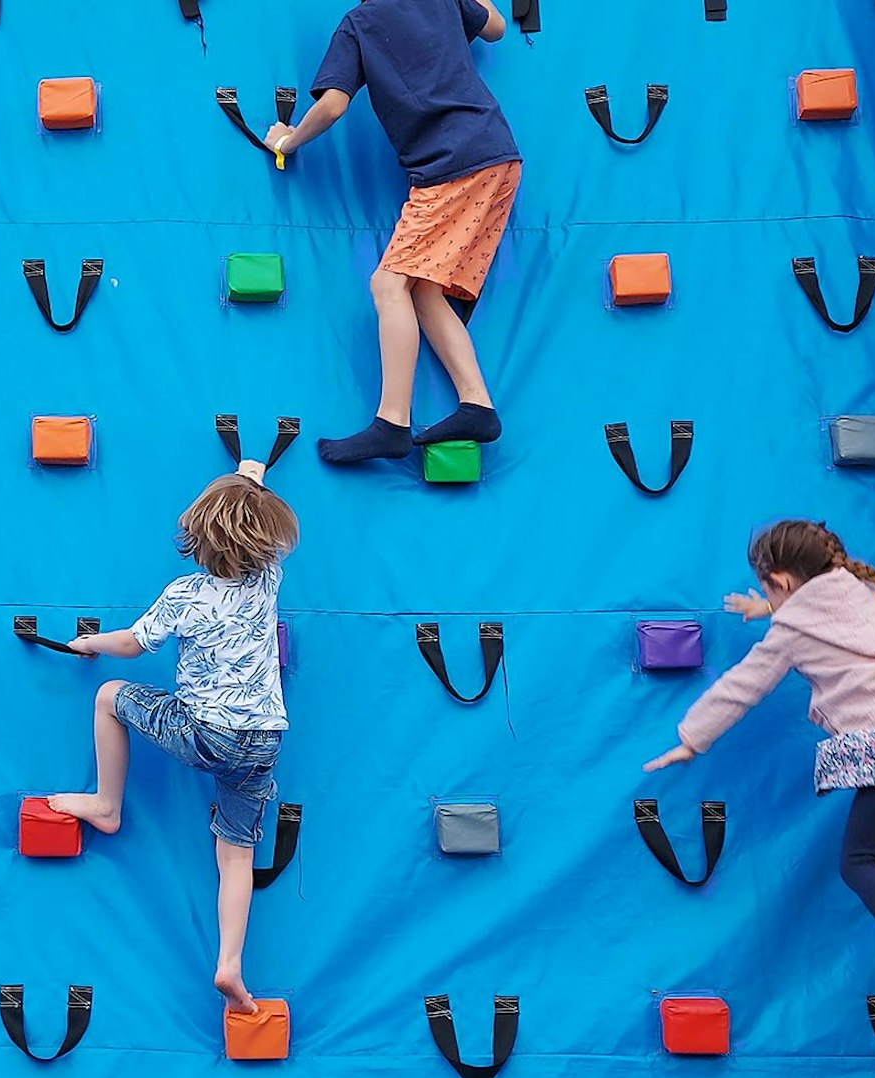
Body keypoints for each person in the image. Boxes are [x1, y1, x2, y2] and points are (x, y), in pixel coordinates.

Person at [644, 520, 875, 1019]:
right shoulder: (859, 589)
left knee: (859, 862)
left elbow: (741, 686)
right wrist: (766, 608)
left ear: (784, 581)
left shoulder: (791, 631)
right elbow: (820, 611)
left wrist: (690, 739)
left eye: (768, 588)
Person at [48, 461, 299, 1013]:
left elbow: (136, 644)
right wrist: (252, 475)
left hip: (205, 733)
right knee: (236, 855)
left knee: (110, 695)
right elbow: (257, 524)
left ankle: (106, 803)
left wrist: (90, 642)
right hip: (262, 739)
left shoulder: (186, 594)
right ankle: (230, 964)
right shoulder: (267, 580)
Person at [265, 0, 521, 463]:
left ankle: (392, 422)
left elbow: (333, 105)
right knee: (423, 290)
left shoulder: (359, 23)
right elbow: (498, 27)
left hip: (451, 165)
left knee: (387, 284)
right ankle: (477, 404)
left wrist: (288, 138)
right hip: (495, 155)